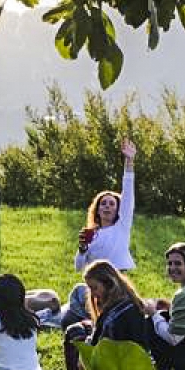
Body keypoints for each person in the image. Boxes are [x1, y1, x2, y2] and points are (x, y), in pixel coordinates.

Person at [60, 139, 137, 330]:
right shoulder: (91, 234)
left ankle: (91, 321)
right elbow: (79, 267)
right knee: (76, 296)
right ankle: (85, 319)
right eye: (103, 203)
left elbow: (128, 192)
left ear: (119, 209)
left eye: (112, 203)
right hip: (96, 285)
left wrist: (129, 162)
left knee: (84, 308)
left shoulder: (122, 226)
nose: (107, 206)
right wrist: (82, 249)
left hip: (115, 283)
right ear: (97, 209)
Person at [62, 259, 153, 370]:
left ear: (109, 284)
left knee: (76, 338)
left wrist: (84, 354)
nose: (93, 294)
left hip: (122, 366)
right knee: (75, 330)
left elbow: (106, 349)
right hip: (114, 354)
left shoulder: (121, 313)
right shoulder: (117, 303)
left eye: (95, 288)